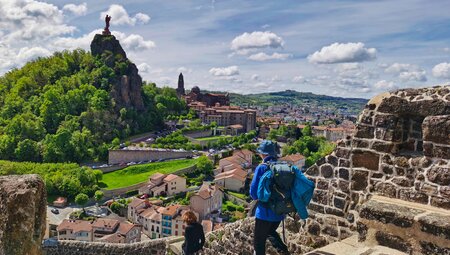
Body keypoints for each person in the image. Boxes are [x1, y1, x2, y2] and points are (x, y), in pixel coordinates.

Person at [250, 140, 290, 255]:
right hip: (279, 212)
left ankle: (284, 251)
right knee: (271, 232)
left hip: (264, 213)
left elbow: (253, 193)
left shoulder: (262, 168)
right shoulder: (282, 166)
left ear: (263, 154)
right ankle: (284, 251)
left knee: (258, 243)